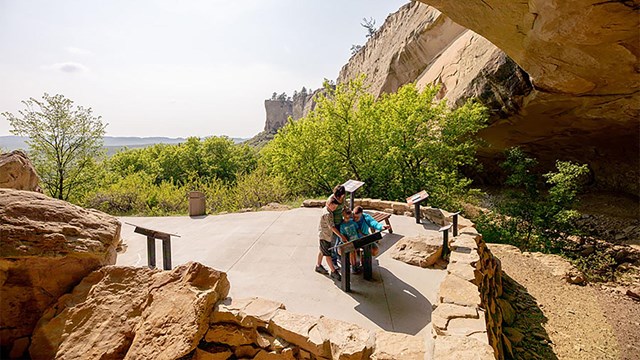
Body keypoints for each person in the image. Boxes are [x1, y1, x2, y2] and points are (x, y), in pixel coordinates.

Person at [316, 197, 343, 281]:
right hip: (325, 236)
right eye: (334, 207)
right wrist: (341, 236)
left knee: (322, 250)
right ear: (329, 204)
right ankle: (333, 272)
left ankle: (318, 266)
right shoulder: (327, 214)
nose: (334, 209)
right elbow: (332, 227)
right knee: (328, 255)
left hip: (324, 235)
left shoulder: (327, 209)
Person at [339, 208, 364, 274]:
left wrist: (361, 236)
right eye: (346, 217)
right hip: (349, 242)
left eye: (349, 217)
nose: (347, 219)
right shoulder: (342, 225)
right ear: (343, 216)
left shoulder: (352, 222)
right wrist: (345, 241)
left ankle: (355, 265)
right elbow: (342, 235)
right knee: (352, 253)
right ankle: (353, 267)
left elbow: (358, 229)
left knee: (355, 252)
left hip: (355, 240)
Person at [327, 185, 346, 266]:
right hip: (333, 224)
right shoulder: (331, 201)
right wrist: (341, 235)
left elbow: (344, 206)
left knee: (339, 242)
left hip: (340, 222)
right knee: (333, 243)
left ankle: (338, 256)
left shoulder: (342, 198)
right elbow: (329, 221)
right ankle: (333, 261)